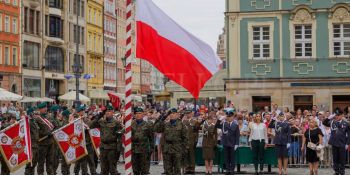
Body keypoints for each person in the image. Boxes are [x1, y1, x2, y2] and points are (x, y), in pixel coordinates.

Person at [91, 105, 123, 175]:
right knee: (103, 169)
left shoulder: (116, 123)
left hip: (112, 148)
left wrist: (118, 150)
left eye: (109, 111)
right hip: (103, 147)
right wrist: (100, 115)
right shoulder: (101, 121)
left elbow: (120, 137)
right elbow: (91, 125)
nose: (107, 113)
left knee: (112, 170)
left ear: (112, 112)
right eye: (106, 111)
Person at [154, 108, 188, 175]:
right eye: (170, 114)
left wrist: (184, 151)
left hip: (177, 149)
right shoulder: (165, 124)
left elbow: (185, 139)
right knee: (168, 169)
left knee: (177, 170)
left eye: (173, 113)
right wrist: (162, 118)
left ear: (177, 115)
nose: (172, 115)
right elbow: (156, 129)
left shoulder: (181, 125)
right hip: (167, 149)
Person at [322, 110, 350, 175]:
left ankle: (342, 171)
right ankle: (336, 171)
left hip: (342, 144)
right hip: (334, 143)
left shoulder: (346, 123)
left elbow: (349, 135)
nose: (337, 116)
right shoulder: (332, 122)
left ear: (341, 115)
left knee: (342, 159)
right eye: (336, 115)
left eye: (338, 115)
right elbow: (324, 122)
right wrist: (329, 117)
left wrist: (347, 143)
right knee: (335, 158)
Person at [34, 102, 56, 175]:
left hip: (50, 142)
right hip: (42, 143)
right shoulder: (36, 118)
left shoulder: (49, 117)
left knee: (50, 161)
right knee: (41, 161)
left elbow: (55, 125)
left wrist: (55, 128)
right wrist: (46, 133)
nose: (46, 109)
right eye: (44, 108)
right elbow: (36, 130)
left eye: (46, 107)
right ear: (40, 109)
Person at [216, 108, 239, 175]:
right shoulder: (224, 124)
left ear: (232, 117)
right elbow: (217, 125)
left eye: (230, 117)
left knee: (232, 157)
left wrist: (236, 144)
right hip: (225, 143)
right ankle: (228, 170)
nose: (229, 118)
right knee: (226, 157)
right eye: (228, 117)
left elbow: (237, 135)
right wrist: (221, 118)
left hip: (232, 143)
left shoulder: (235, 125)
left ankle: (232, 170)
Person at [131, 107, 154, 175]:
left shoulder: (147, 125)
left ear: (143, 115)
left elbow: (151, 138)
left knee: (144, 170)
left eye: (140, 113)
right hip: (134, 149)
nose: (138, 115)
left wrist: (151, 149)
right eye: (137, 113)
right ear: (135, 115)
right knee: (135, 170)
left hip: (144, 150)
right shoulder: (131, 124)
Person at [182, 109, 201, 174]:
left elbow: (197, 132)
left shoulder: (195, 121)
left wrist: (196, 140)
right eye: (186, 113)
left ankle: (192, 168)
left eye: (189, 113)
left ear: (191, 114)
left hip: (192, 141)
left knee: (192, 155)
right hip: (185, 141)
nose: (187, 115)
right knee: (186, 155)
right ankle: (187, 168)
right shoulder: (184, 122)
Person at [24, 107, 40, 175]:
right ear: (30, 114)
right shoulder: (28, 122)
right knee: (29, 164)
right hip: (31, 146)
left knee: (34, 163)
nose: (35, 114)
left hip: (36, 145)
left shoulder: (34, 122)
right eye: (33, 113)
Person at [202, 111, 217, 175]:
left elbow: (215, 135)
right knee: (206, 157)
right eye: (208, 119)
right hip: (205, 143)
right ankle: (207, 169)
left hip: (211, 143)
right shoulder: (204, 125)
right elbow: (204, 133)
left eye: (211, 119)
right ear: (207, 120)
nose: (209, 121)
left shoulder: (214, 126)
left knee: (211, 158)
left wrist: (215, 143)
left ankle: (210, 169)